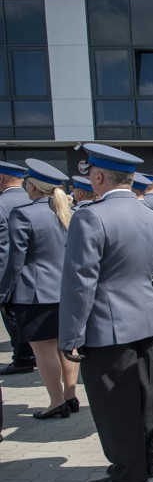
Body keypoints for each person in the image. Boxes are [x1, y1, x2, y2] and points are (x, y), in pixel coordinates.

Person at [59, 143, 153, 482]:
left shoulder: (91, 216)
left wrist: (71, 335)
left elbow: (80, 282)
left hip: (106, 325)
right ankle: (148, 458)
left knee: (114, 404)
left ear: (97, 175)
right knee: (147, 396)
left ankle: (128, 471)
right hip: (146, 320)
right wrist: (149, 307)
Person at [0, 159, 76, 419]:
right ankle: (70, 396)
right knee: (66, 347)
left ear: (32, 186)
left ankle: (56, 401)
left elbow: (15, 261)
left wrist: (4, 293)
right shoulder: (67, 213)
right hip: (65, 290)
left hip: (35, 292)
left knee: (44, 349)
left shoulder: (24, 214)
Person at [0, 161, 37, 376]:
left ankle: (23, 357)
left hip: (9, 270)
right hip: (37, 272)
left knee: (12, 317)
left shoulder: (2, 203)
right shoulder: (35, 200)